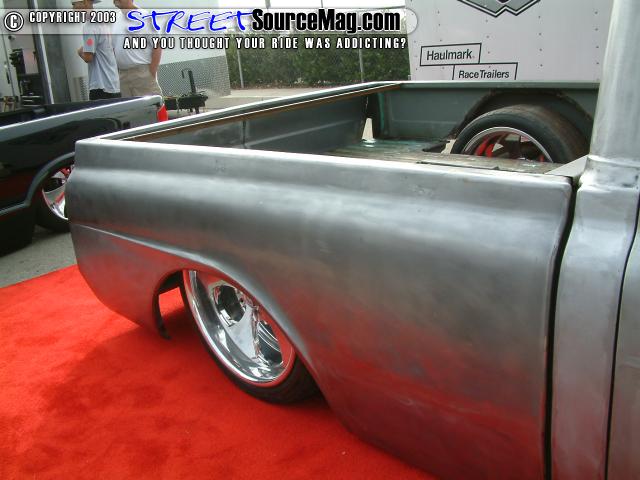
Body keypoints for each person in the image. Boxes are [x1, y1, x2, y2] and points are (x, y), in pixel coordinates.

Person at [112, 0, 163, 97]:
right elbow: (114, 47)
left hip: (142, 74)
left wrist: (151, 73)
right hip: (123, 76)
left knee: (151, 106)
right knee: (130, 107)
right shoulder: (115, 19)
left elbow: (157, 45)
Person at [73, 0, 120, 100]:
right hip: (113, 84)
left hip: (100, 86)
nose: (73, 9)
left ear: (85, 3)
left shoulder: (89, 26)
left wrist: (80, 52)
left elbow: (88, 57)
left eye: (74, 5)